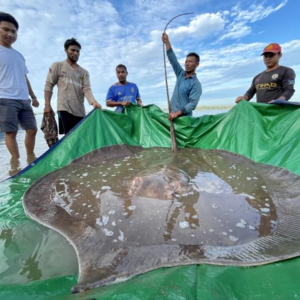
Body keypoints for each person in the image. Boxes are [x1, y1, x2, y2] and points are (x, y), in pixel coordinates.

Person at [0, 12, 39, 159]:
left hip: (24, 99)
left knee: (32, 129)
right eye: (5, 29)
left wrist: (33, 96)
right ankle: (15, 162)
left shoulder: (19, 55)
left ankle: (30, 157)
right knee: (11, 132)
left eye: (13, 31)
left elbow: (24, 77)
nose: (10, 34)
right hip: (5, 98)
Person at [44, 38, 102, 135]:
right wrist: (47, 105)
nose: (75, 53)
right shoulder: (58, 66)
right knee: (69, 137)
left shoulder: (84, 72)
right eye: (72, 50)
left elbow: (86, 89)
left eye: (78, 51)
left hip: (80, 111)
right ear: (66, 50)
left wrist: (94, 102)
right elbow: (49, 85)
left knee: (81, 137)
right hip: (64, 108)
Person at [162, 32, 202, 121]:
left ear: (197, 64)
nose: (187, 64)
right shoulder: (180, 74)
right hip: (171, 116)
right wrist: (167, 42)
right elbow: (173, 59)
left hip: (184, 120)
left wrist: (177, 113)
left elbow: (192, 104)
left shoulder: (196, 84)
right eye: (186, 61)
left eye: (190, 61)